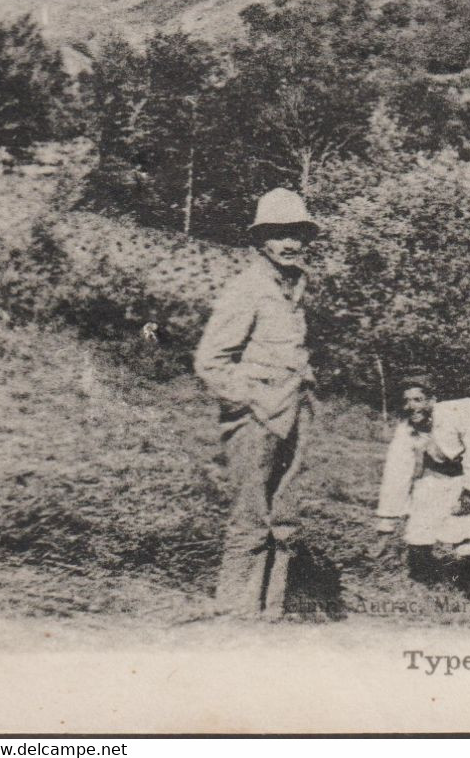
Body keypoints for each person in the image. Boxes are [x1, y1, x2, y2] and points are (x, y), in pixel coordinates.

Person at [194, 188, 320, 618]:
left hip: (294, 413)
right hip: (255, 418)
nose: (290, 243)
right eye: (279, 233)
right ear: (261, 238)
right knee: (250, 515)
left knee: (284, 516)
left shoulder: (297, 285)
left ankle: (272, 610)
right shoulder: (247, 287)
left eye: (297, 234)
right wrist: (248, 401)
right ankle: (234, 611)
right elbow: (210, 360)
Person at [375, 372, 470, 594]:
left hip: (469, 476)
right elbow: (397, 470)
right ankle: (426, 582)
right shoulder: (407, 427)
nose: (411, 406)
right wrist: (387, 519)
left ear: (432, 400)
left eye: (418, 400)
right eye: (406, 401)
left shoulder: (461, 412)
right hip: (436, 477)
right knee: (420, 530)